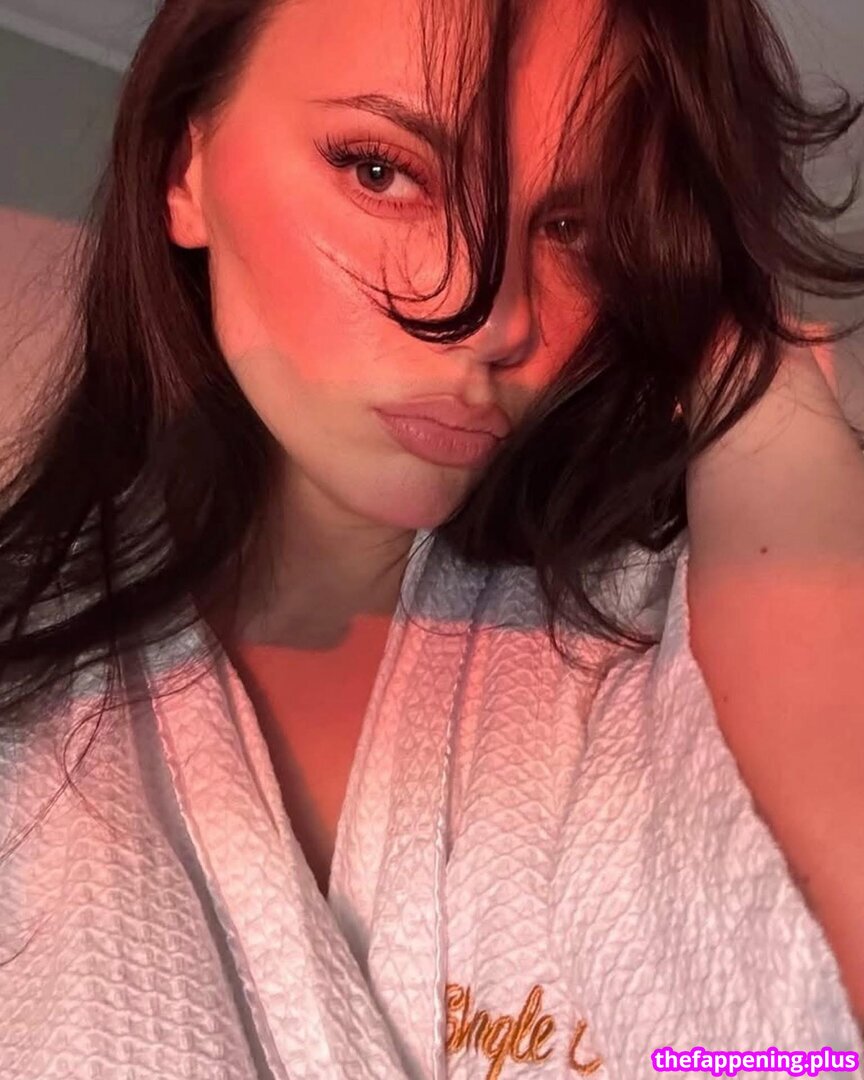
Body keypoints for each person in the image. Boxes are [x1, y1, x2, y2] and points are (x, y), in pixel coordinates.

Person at [1, 0, 863, 1076]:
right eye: (381, 172)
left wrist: (762, 387)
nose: (493, 318)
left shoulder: (669, 647)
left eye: (574, 228)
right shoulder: (28, 693)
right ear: (186, 171)